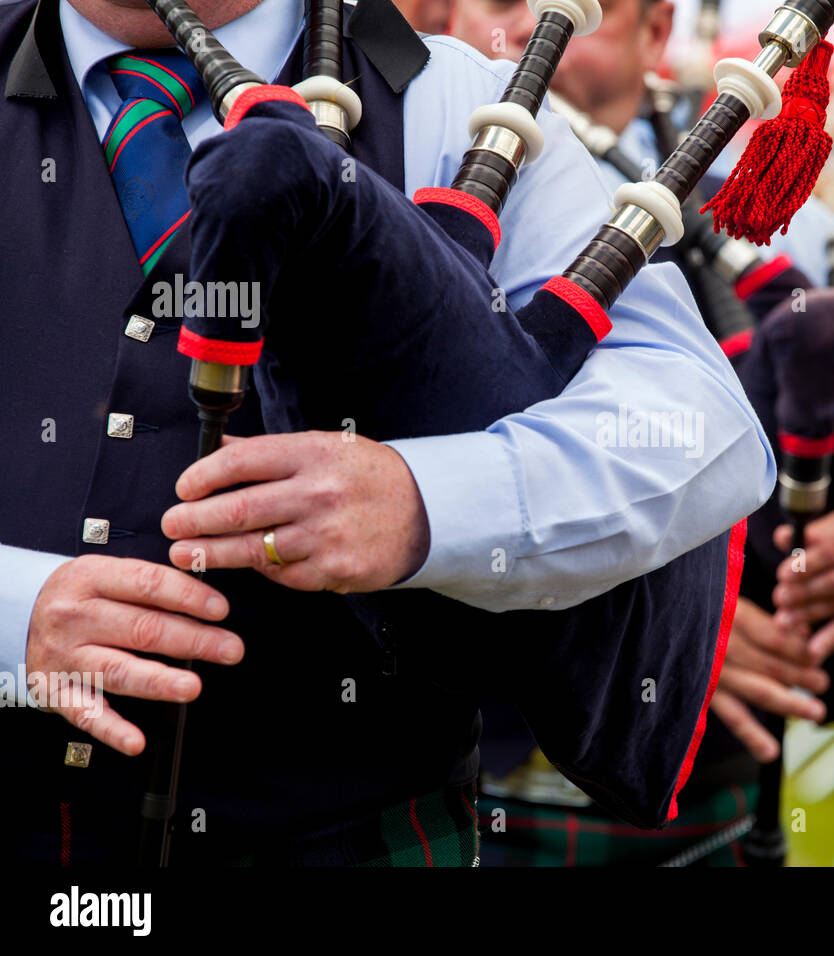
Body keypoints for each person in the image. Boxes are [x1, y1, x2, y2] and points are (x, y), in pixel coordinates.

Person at [0, 0, 775, 864]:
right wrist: (10, 614)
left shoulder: (451, 101)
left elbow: (697, 431)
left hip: (348, 836)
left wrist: (426, 502)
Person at [449, 0, 834, 865]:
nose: (526, 30)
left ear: (655, 36)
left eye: (580, 9)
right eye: (501, 2)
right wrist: (675, 624)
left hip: (710, 799)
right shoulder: (422, 201)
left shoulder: (761, 214)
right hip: (475, 786)